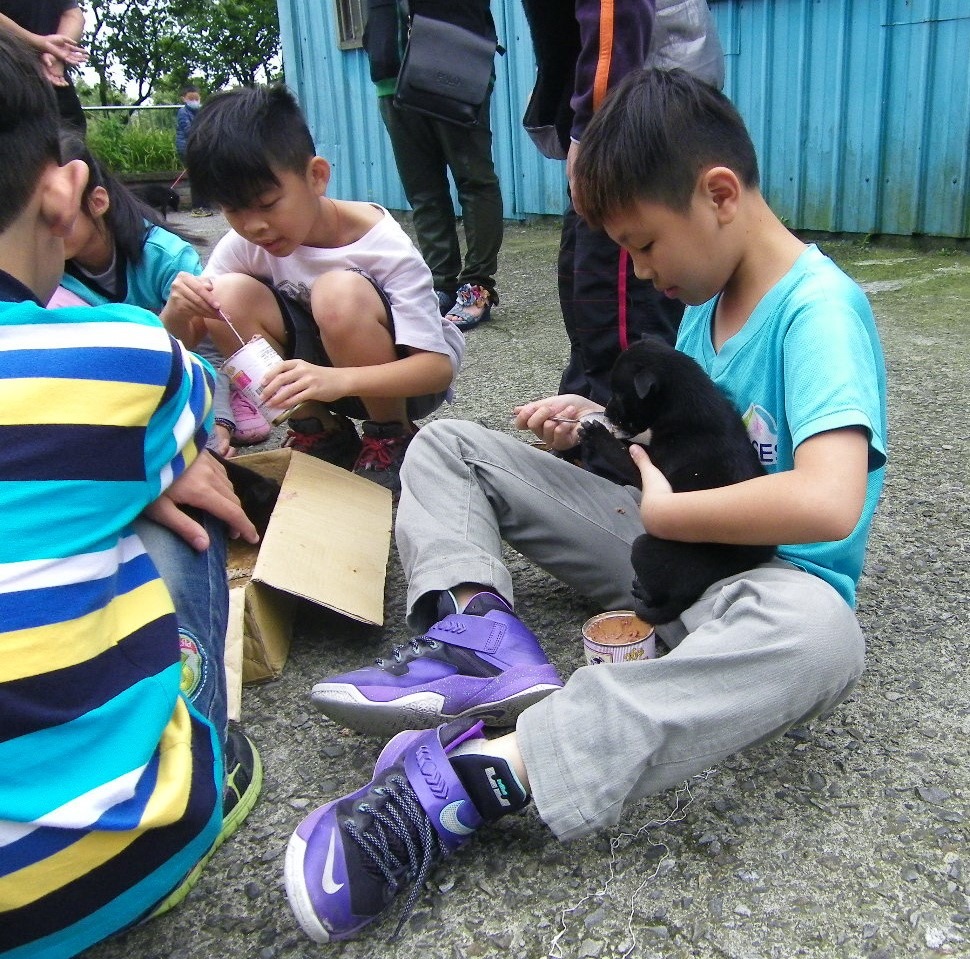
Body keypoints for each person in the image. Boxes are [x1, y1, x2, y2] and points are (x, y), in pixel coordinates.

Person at [284, 68, 888, 943]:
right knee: (449, 445)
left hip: (760, 581)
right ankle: (475, 631)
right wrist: (598, 431)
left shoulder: (819, 312)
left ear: (719, 194)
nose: (639, 269)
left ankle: (494, 770)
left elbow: (831, 501)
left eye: (642, 244)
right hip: (664, 541)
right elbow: (677, 453)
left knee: (826, 638)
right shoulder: (705, 303)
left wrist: (673, 517)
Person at [0, 32, 263, 959]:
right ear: (64, 193)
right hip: (111, 863)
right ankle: (214, 749)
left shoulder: (158, 259)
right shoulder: (117, 341)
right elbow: (193, 398)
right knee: (184, 517)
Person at [169, 83, 466, 496]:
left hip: (397, 385)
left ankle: (390, 436)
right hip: (314, 387)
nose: (254, 226)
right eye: (234, 209)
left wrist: (338, 380)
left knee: (338, 294)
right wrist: (179, 311)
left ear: (316, 176)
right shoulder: (246, 244)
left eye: (268, 203)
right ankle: (319, 428)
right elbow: (188, 343)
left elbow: (436, 369)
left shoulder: (383, 246)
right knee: (225, 295)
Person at [520, 0, 724, 405]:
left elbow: (617, 13)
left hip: (635, 121)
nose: (646, 265)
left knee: (623, 319)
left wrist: (592, 131)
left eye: (645, 249)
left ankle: (625, 455)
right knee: (585, 300)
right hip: (621, 106)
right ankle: (587, 430)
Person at [49, 129, 272, 453]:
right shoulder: (49, 274)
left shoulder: (164, 256)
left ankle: (229, 397)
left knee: (216, 439)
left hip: (180, 365)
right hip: (116, 381)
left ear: (97, 202)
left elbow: (213, 344)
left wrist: (219, 421)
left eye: (54, 216)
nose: (44, 233)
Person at [362, 0, 503, 332]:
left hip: (454, 59)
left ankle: (477, 285)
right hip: (392, 68)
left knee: (474, 180)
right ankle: (441, 284)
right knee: (423, 191)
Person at [0, 0, 87, 132]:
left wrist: (55, 55)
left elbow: (74, 15)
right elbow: (74, 15)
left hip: (32, 79)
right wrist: (48, 49)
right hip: (48, 80)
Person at [175, 83, 214, 218]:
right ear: (184, 99)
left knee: (204, 177)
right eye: (191, 98)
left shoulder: (200, 111)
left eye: (196, 98)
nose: (195, 101)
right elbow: (189, 131)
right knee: (196, 177)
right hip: (188, 148)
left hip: (199, 147)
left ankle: (205, 206)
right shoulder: (183, 112)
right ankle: (198, 207)